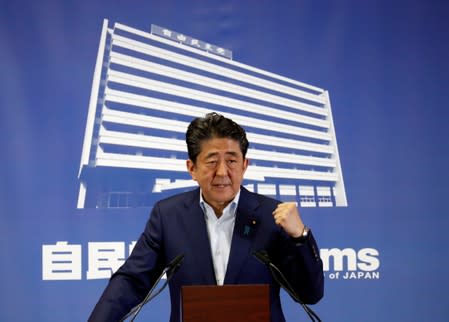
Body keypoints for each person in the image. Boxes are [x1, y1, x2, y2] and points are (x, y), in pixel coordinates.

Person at [89, 112, 324, 322]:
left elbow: (310, 294)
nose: (222, 172)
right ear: (192, 168)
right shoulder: (169, 216)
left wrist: (300, 236)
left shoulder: (272, 215)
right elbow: (131, 281)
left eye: (232, 161)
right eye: (212, 161)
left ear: (245, 165)